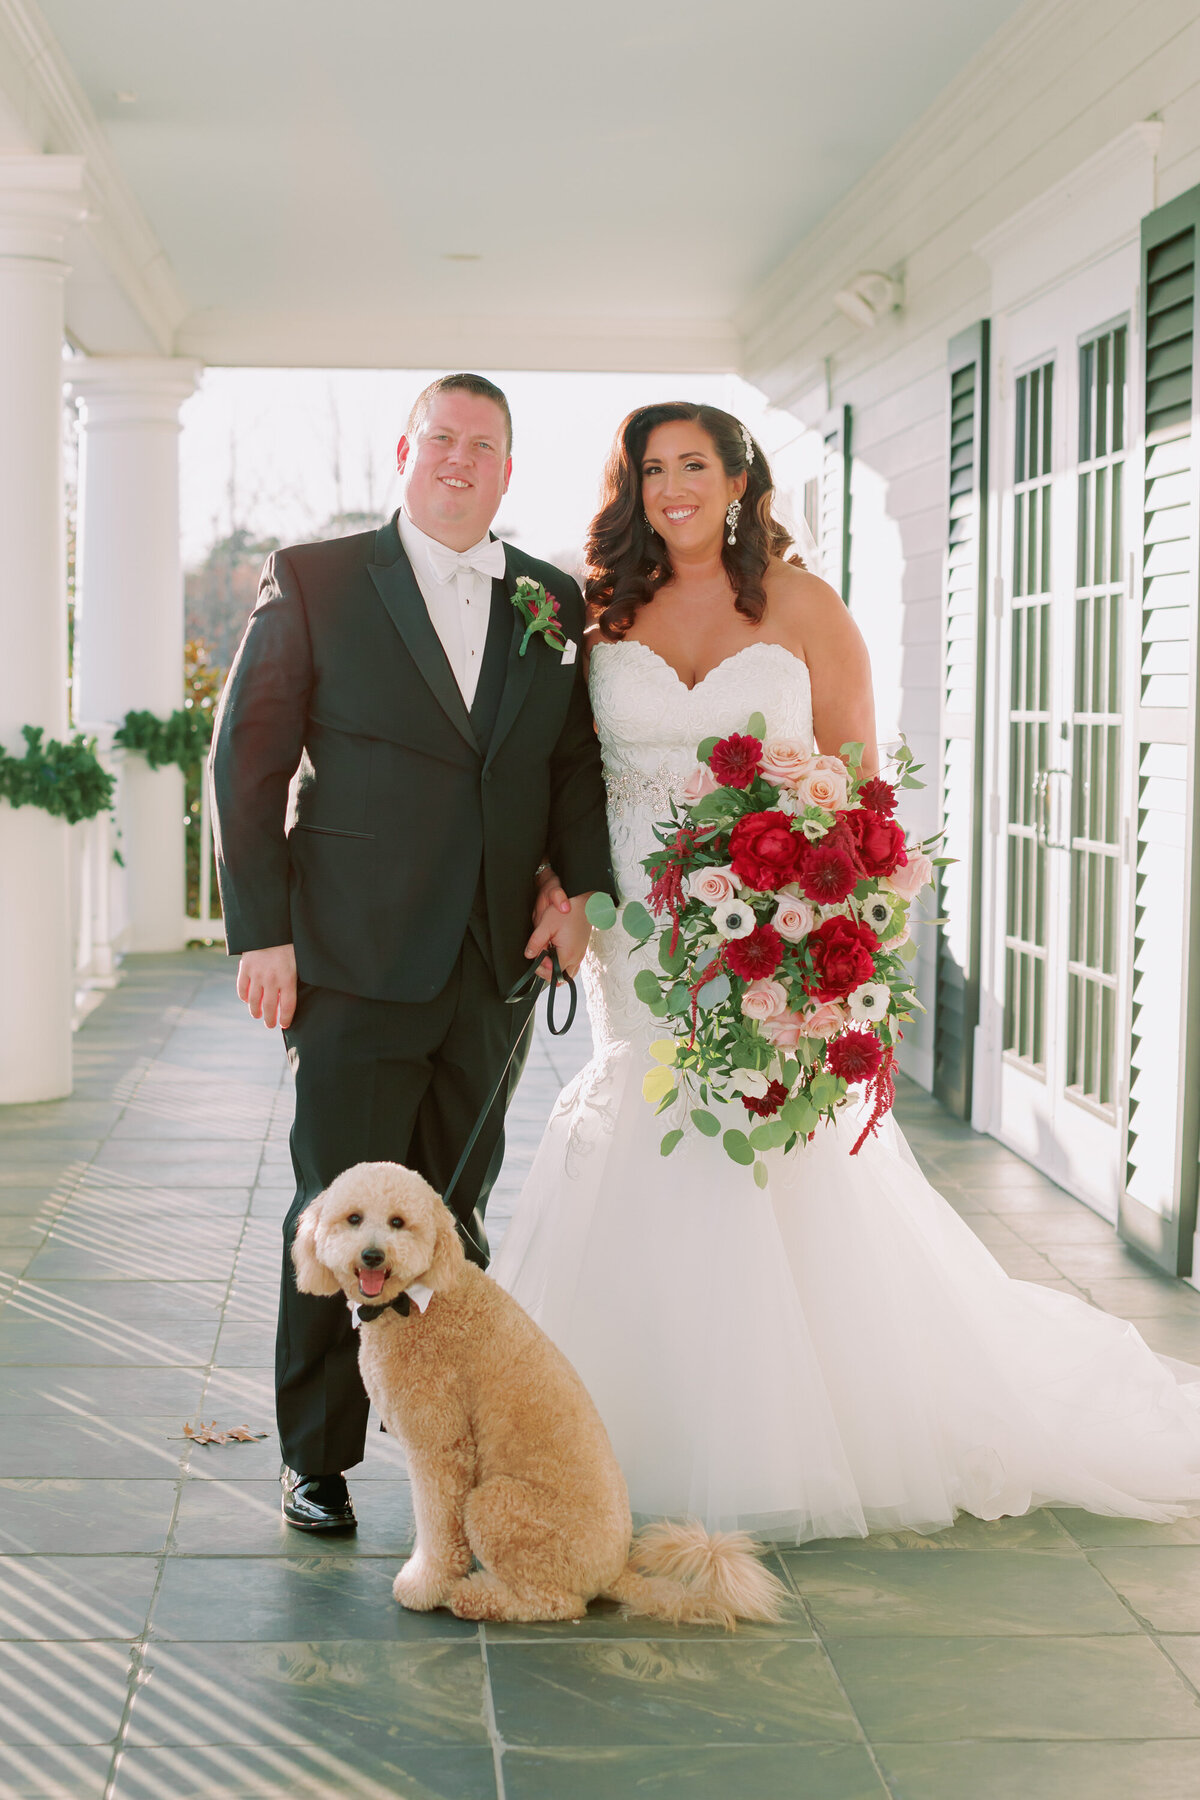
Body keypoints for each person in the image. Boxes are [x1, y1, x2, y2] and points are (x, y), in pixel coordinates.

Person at [495, 400, 1200, 1541]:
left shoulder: (804, 605)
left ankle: (783, 1427)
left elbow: (858, 782)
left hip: (769, 910)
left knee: (772, 1144)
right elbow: (559, 765)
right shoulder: (599, 611)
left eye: (694, 465)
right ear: (629, 489)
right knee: (641, 1114)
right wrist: (558, 882)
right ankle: (615, 1425)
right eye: (650, 470)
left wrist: (828, 917)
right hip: (639, 926)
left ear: (738, 479)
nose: (672, 488)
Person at [211, 373, 611, 1532]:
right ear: (406, 448)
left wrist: (576, 892)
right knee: (337, 1220)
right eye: (442, 438)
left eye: (483, 445)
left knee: (452, 1222)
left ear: (507, 469)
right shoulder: (318, 579)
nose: (459, 460)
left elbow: (569, 762)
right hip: (351, 959)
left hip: (492, 967)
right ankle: (317, 1458)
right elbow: (248, 761)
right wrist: (265, 932)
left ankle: (453, 1442)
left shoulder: (551, 599)